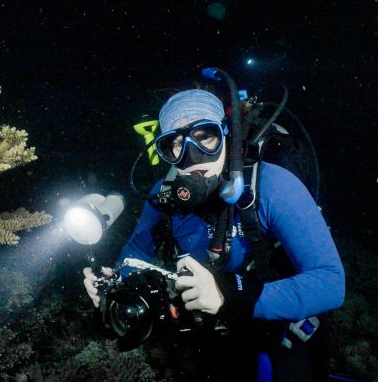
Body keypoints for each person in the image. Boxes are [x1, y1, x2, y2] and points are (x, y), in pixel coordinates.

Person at [83, 88, 345, 381]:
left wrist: (230, 295)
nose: (192, 157)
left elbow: (331, 283)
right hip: (212, 333)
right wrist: (115, 281)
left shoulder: (273, 186)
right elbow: (136, 253)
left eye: (205, 136)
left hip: (282, 330)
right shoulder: (163, 197)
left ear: (227, 136)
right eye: (176, 143)